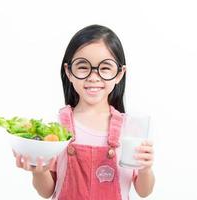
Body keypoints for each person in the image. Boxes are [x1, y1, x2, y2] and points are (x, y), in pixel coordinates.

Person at [13, 24, 155, 200]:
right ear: (68, 71)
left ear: (119, 74)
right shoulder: (57, 127)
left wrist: (146, 169)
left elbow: (144, 191)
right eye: (83, 67)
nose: (93, 77)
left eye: (105, 68)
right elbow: (46, 191)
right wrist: (39, 171)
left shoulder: (129, 129)